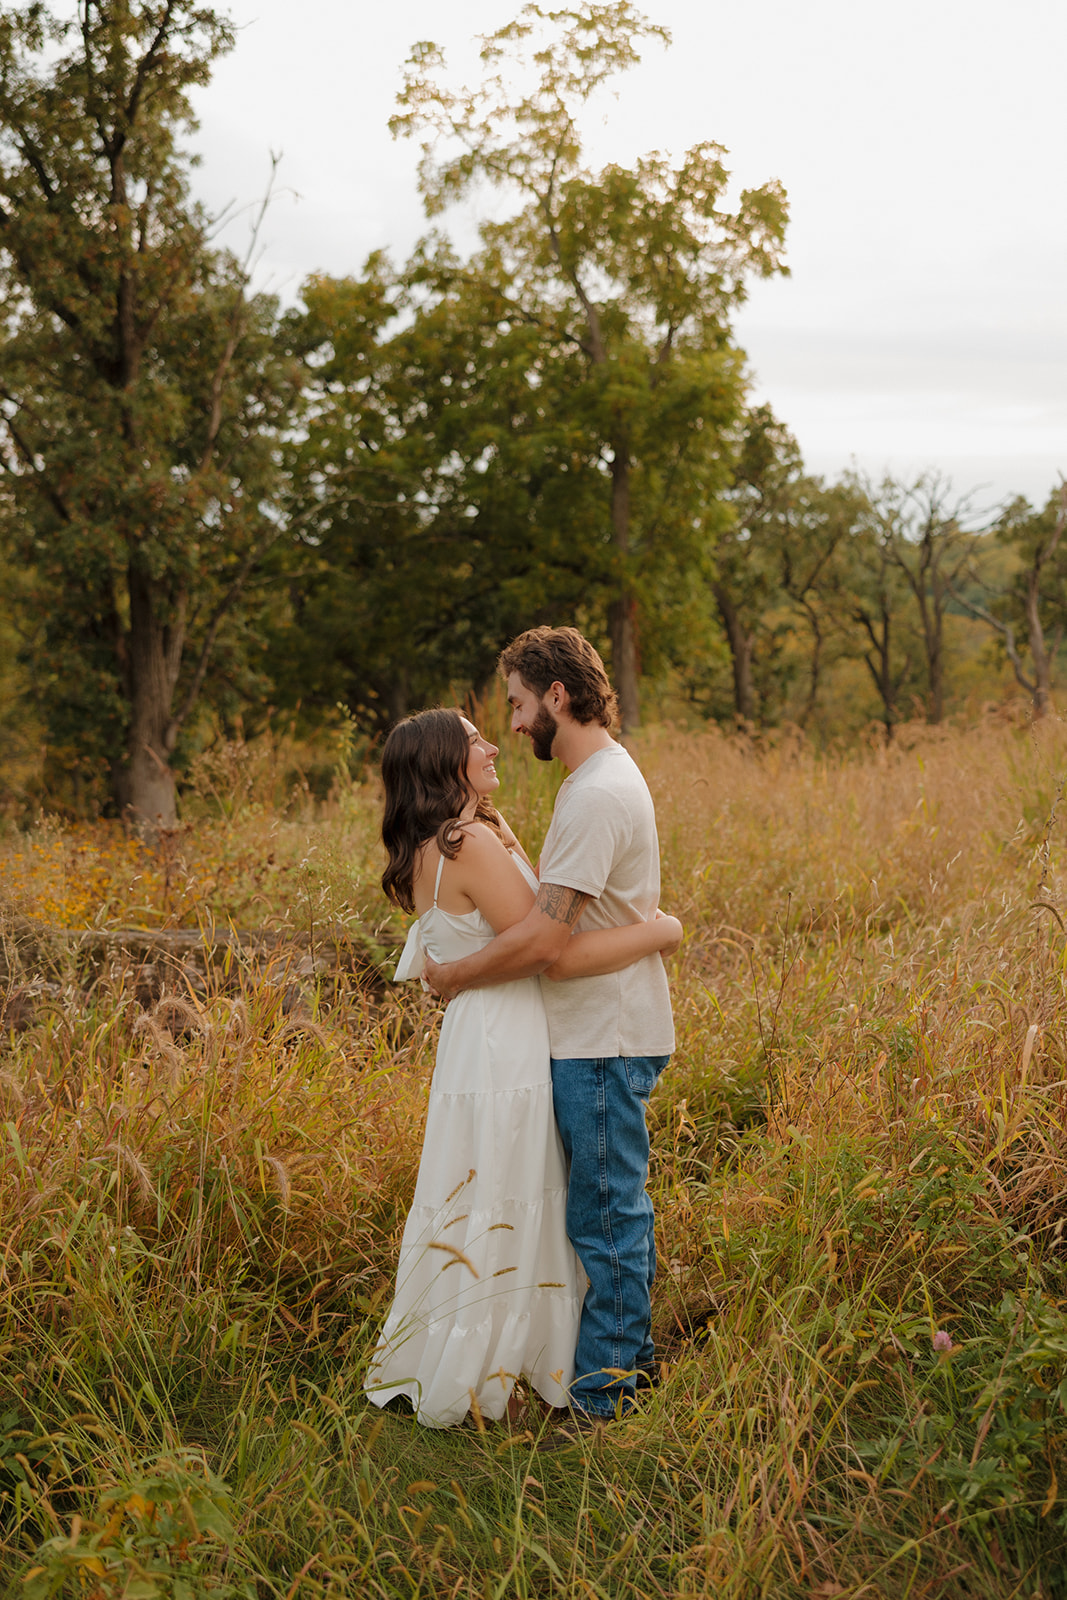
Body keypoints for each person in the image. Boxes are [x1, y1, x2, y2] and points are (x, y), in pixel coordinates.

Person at [365, 706, 681, 1428]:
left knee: (491, 1182)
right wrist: (657, 931)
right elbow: (551, 950)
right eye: (473, 739)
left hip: (484, 1028)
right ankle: (510, 1363)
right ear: (444, 763)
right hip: (505, 1030)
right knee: (511, 1182)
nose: (491, 742)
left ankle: (512, 1353)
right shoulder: (464, 840)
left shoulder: (451, 837)